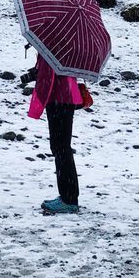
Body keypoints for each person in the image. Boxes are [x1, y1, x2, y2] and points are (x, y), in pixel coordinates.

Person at [26, 48, 86, 214]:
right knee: (62, 147)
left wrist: (38, 103)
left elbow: (49, 77)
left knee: (60, 147)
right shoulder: (65, 45)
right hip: (67, 97)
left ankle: (69, 199)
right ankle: (69, 196)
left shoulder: (52, 47)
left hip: (59, 98)